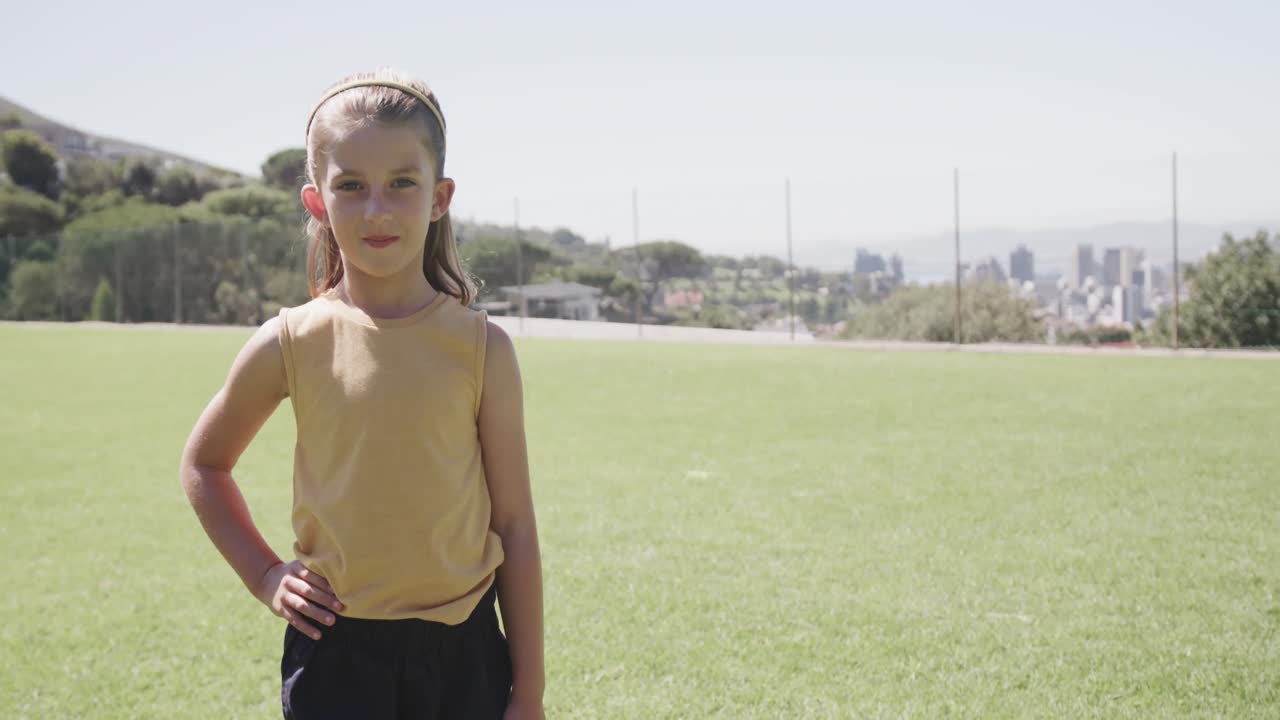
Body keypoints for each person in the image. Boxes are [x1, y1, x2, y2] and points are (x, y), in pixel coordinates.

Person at [179, 68, 545, 719]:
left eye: (403, 182)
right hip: (336, 657)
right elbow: (204, 465)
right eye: (351, 186)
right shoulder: (289, 340)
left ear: (440, 197)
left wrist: (530, 691)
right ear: (317, 201)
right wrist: (266, 575)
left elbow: (513, 526)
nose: (377, 209)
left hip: (464, 657)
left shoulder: (483, 349)